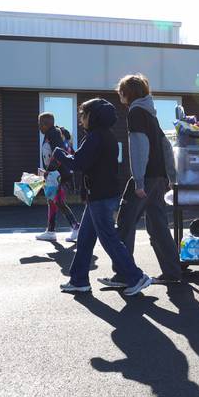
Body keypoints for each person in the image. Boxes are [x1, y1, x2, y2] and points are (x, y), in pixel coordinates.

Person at [52, 98, 152, 296]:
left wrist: (59, 154)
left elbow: (78, 163)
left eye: (84, 115)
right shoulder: (107, 136)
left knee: (108, 239)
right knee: (85, 239)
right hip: (102, 194)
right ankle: (79, 280)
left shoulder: (95, 137)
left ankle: (136, 277)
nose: (81, 119)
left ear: (93, 116)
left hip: (100, 196)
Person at [96, 74, 181, 288]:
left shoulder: (135, 112)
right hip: (159, 177)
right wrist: (171, 176)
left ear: (128, 93)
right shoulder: (151, 113)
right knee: (158, 226)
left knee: (124, 223)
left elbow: (139, 146)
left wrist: (139, 181)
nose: (119, 95)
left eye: (121, 91)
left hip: (147, 178)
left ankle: (125, 275)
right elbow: (166, 146)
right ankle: (172, 272)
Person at [36, 112, 80, 242]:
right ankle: (50, 231)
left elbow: (59, 152)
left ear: (45, 123)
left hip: (58, 174)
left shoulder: (53, 134)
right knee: (52, 201)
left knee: (58, 201)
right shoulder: (51, 133)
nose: (39, 127)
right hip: (56, 174)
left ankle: (76, 227)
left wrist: (49, 171)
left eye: (40, 124)